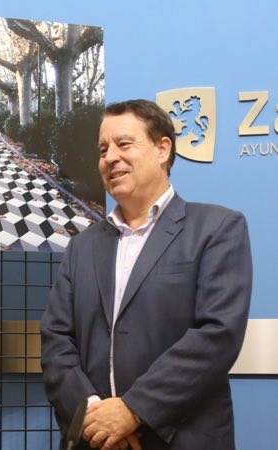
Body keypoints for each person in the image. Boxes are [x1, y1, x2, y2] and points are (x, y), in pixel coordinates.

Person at [40, 99, 252, 450]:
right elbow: (56, 340)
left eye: (124, 144)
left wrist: (133, 410)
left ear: (162, 149)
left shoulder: (217, 229)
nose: (110, 158)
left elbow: (217, 334)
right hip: (96, 440)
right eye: (103, 149)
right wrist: (94, 416)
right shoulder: (82, 247)